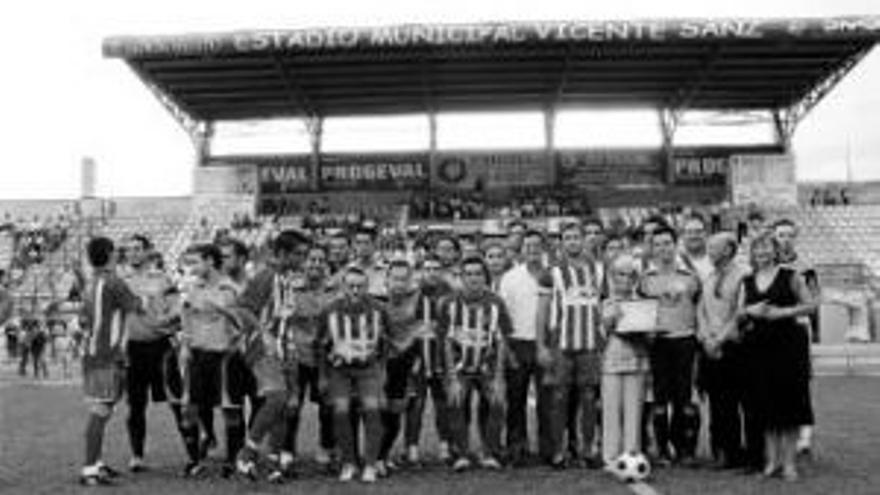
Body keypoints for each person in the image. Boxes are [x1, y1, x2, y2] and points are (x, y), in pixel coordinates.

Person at [740, 233, 816, 482]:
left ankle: (789, 463)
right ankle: (771, 462)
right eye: (757, 249)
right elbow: (739, 313)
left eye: (766, 248)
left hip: (788, 347)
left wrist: (782, 313)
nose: (761, 253)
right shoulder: (747, 280)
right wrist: (750, 310)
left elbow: (810, 305)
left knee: (790, 406)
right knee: (766, 407)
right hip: (758, 348)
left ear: (775, 250)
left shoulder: (790, 276)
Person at [121, 234, 198, 473]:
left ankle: (193, 457)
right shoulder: (121, 282)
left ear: (147, 251)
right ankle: (137, 456)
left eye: (137, 249)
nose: (132, 253)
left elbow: (178, 312)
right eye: (128, 249)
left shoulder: (163, 280)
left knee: (176, 402)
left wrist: (161, 323)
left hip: (160, 349)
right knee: (135, 405)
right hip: (132, 350)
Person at [78, 237, 144, 486]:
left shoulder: (90, 283)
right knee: (100, 410)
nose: (119, 253)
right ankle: (89, 469)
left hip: (95, 353)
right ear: (108, 253)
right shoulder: (115, 282)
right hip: (107, 355)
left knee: (104, 409)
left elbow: (85, 318)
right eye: (116, 250)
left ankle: (96, 463)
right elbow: (138, 307)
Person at [317, 266, 390, 483]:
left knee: (372, 410)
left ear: (367, 286)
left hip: (369, 370)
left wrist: (382, 370)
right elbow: (321, 346)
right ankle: (349, 462)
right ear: (342, 287)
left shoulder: (379, 309)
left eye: (360, 286)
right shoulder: (329, 310)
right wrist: (323, 375)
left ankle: (369, 464)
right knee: (340, 412)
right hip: (340, 371)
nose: (355, 291)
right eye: (351, 286)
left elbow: (387, 343)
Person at [178, 243, 245, 478]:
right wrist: (186, 345)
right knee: (189, 408)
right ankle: (194, 460)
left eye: (195, 262)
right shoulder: (193, 289)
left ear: (210, 261)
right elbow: (186, 319)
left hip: (224, 358)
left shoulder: (231, 289)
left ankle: (232, 460)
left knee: (230, 410)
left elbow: (243, 322)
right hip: (197, 356)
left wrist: (224, 311)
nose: (192, 267)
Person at [442, 256, 513, 471]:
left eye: (478, 273)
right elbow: (446, 342)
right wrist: (452, 378)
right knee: (455, 402)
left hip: (487, 369)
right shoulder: (449, 303)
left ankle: (489, 453)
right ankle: (462, 454)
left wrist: (500, 377)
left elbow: (501, 342)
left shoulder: (496, 303)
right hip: (459, 369)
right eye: (469, 274)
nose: (474, 278)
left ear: (485, 277)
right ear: (462, 278)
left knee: (498, 403)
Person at [545, 222, 606, 468]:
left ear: (583, 240)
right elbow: (542, 310)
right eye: (567, 237)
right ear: (561, 242)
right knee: (559, 396)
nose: (572, 241)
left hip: (591, 343)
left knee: (589, 397)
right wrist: (542, 344)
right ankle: (559, 451)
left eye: (576, 237)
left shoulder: (599, 270)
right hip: (561, 343)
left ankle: (588, 449)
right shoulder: (552, 271)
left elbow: (605, 305)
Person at [640, 226, 702, 466]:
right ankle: (663, 449)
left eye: (667, 243)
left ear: (675, 245)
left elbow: (698, 306)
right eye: (658, 244)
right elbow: (641, 311)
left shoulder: (690, 276)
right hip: (659, 343)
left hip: (685, 340)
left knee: (684, 397)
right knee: (660, 398)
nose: (663, 248)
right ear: (652, 248)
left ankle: (685, 449)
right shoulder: (646, 279)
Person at [498, 229, 553, 465]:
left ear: (544, 248)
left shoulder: (554, 275)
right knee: (516, 399)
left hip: (546, 344)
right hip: (518, 343)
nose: (533, 250)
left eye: (537, 245)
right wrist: (507, 349)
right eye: (528, 246)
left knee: (547, 401)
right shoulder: (510, 277)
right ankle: (516, 448)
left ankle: (548, 449)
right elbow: (502, 317)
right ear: (522, 250)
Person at [696, 232, 750, 470]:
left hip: (733, 348)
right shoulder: (709, 277)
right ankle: (719, 451)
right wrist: (706, 337)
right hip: (709, 347)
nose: (709, 251)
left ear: (728, 250)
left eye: (713, 247)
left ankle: (736, 453)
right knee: (715, 403)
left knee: (732, 403)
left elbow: (740, 313)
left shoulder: (743, 275)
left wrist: (719, 340)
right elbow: (701, 311)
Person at [600, 254, 651, 467]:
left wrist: (647, 330)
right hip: (610, 362)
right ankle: (611, 457)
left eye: (631, 274)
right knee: (611, 411)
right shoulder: (604, 302)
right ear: (612, 276)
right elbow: (599, 335)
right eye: (621, 274)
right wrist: (609, 322)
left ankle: (632, 454)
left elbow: (650, 336)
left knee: (634, 411)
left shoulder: (643, 302)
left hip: (636, 361)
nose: (626, 279)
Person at [405, 254, 454, 464]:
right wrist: (411, 357)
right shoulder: (413, 296)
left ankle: (445, 446)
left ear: (442, 271)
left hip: (442, 359)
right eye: (428, 268)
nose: (432, 272)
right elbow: (405, 328)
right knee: (416, 405)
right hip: (418, 359)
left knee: (443, 405)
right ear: (421, 271)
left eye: (436, 268)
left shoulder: (451, 296)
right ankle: (412, 449)